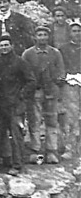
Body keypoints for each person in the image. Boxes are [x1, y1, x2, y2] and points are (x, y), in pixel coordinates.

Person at [0, 35, 36, 175]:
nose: (4, 48)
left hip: (15, 105)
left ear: (12, 46)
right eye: (1, 46)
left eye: (6, 45)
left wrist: (21, 95)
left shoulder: (20, 62)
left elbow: (31, 81)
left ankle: (17, 165)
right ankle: (3, 162)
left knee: (16, 136)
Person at [22, 26, 66, 164]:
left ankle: (51, 151)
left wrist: (57, 82)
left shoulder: (55, 53)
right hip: (35, 92)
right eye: (39, 35)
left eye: (45, 35)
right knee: (34, 121)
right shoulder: (28, 54)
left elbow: (61, 71)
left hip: (51, 91)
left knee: (51, 121)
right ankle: (36, 151)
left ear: (48, 37)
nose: (42, 37)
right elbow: (23, 73)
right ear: (35, 37)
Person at [59, 22, 81, 159]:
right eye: (74, 31)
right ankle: (69, 148)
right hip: (70, 84)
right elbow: (61, 67)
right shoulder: (63, 49)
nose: (77, 34)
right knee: (70, 117)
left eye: (79, 31)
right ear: (69, 33)